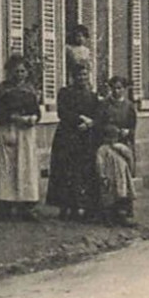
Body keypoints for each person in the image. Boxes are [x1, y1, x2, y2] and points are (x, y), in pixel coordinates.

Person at [0, 55, 42, 220]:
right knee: (7, 166)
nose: (19, 74)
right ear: (9, 71)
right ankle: (5, 204)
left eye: (23, 71)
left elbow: (36, 111)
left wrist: (33, 118)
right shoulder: (0, 89)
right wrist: (11, 117)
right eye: (16, 71)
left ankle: (26, 205)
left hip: (26, 132)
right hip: (8, 129)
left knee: (26, 166)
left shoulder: (31, 90)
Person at [48, 63, 101, 221]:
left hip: (84, 137)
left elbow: (98, 113)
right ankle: (64, 207)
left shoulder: (92, 95)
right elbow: (62, 112)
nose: (82, 78)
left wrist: (91, 122)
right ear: (72, 77)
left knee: (81, 172)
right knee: (64, 171)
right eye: (79, 75)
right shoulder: (65, 93)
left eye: (85, 75)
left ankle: (79, 207)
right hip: (67, 136)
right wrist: (79, 118)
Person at [94, 75, 138, 226]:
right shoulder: (105, 105)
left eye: (120, 88)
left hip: (122, 145)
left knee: (123, 179)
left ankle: (123, 213)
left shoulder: (129, 106)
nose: (117, 91)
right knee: (110, 180)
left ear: (124, 89)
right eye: (114, 88)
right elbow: (98, 124)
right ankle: (109, 214)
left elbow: (133, 126)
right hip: (108, 143)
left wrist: (128, 132)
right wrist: (109, 131)